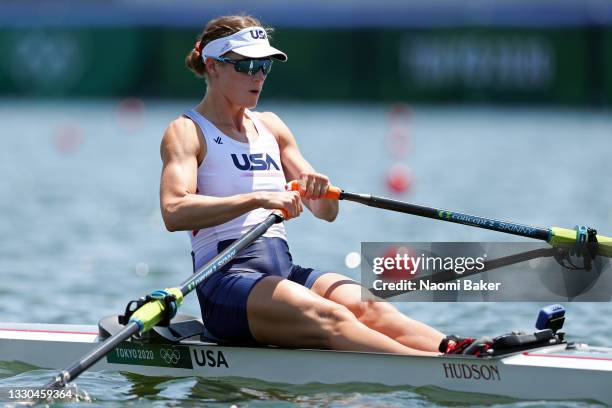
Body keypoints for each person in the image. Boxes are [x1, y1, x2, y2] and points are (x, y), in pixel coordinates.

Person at [159, 14, 448, 356]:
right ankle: (435, 371)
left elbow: (327, 213)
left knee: (374, 308)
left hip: (280, 271)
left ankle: (457, 351)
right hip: (227, 283)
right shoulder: (187, 131)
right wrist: (258, 199)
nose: (259, 76)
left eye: (264, 66)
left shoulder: (271, 127)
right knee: (333, 317)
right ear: (213, 65)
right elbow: (174, 212)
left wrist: (319, 189)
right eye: (247, 66)